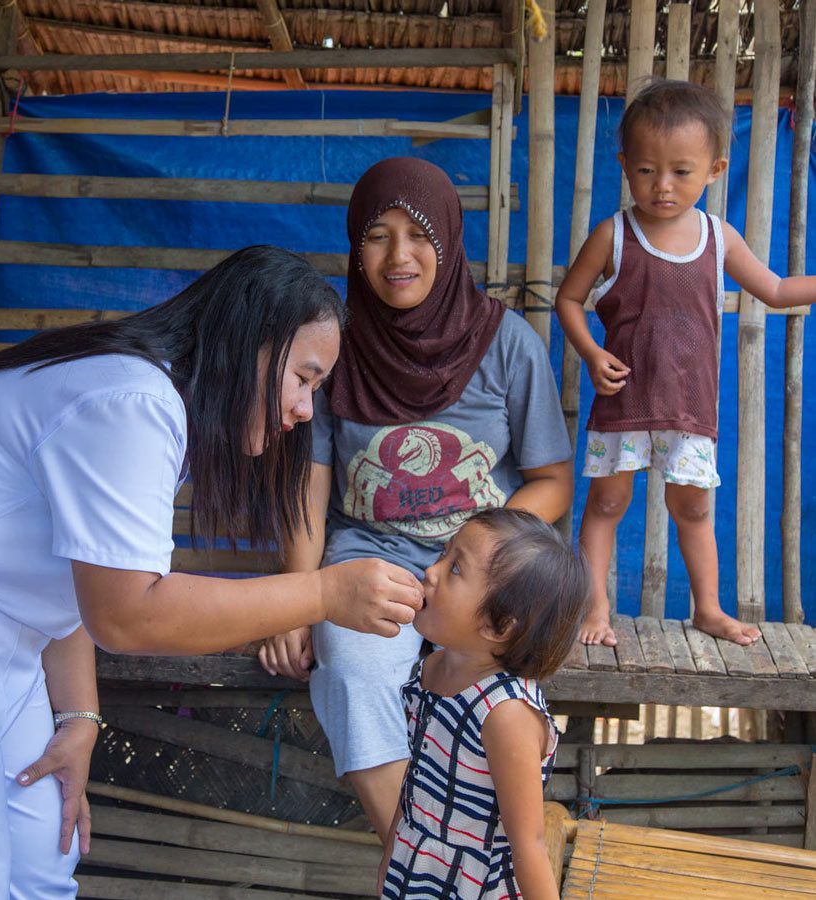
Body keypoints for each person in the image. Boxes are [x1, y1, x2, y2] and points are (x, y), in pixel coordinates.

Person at [0, 245, 424, 899]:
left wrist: (77, 718)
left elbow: (84, 577)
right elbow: (128, 614)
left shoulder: (149, 397)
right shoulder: (133, 403)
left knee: (43, 862)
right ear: (251, 342)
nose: (303, 410)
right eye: (304, 378)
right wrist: (323, 593)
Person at [259, 158, 574, 841]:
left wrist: (491, 554)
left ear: (451, 240)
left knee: (492, 708)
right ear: (355, 246)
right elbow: (309, 492)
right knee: (351, 672)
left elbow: (553, 480)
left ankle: (422, 873)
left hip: (482, 580)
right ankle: (426, 862)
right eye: (377, 235)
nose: (398, 256)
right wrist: (295, 598)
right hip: (372, 566)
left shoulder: (507, 343)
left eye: (418, 234)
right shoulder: (336, 346)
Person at [556, 78, 816, 647]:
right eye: (647, 170)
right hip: (623, 401)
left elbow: (773, 289)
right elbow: (567, 300)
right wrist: (592, 352)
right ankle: (594, 608)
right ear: (625, 166)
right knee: (606, 502)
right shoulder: (614, 235)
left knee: (693, 510)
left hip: (687, 405)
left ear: (716, 170)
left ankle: (708, 608)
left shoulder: (718, 237)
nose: (663, 186)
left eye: (681, 171)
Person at [378, 508, 589, 900]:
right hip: (418, 865)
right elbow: (415, 783)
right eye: (444, 554)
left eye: (455, 569)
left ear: (499, 625)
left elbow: (528, 842)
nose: (431, 572)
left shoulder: (505, 713)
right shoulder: (431, 669)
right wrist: (391, 858)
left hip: (473, 885)